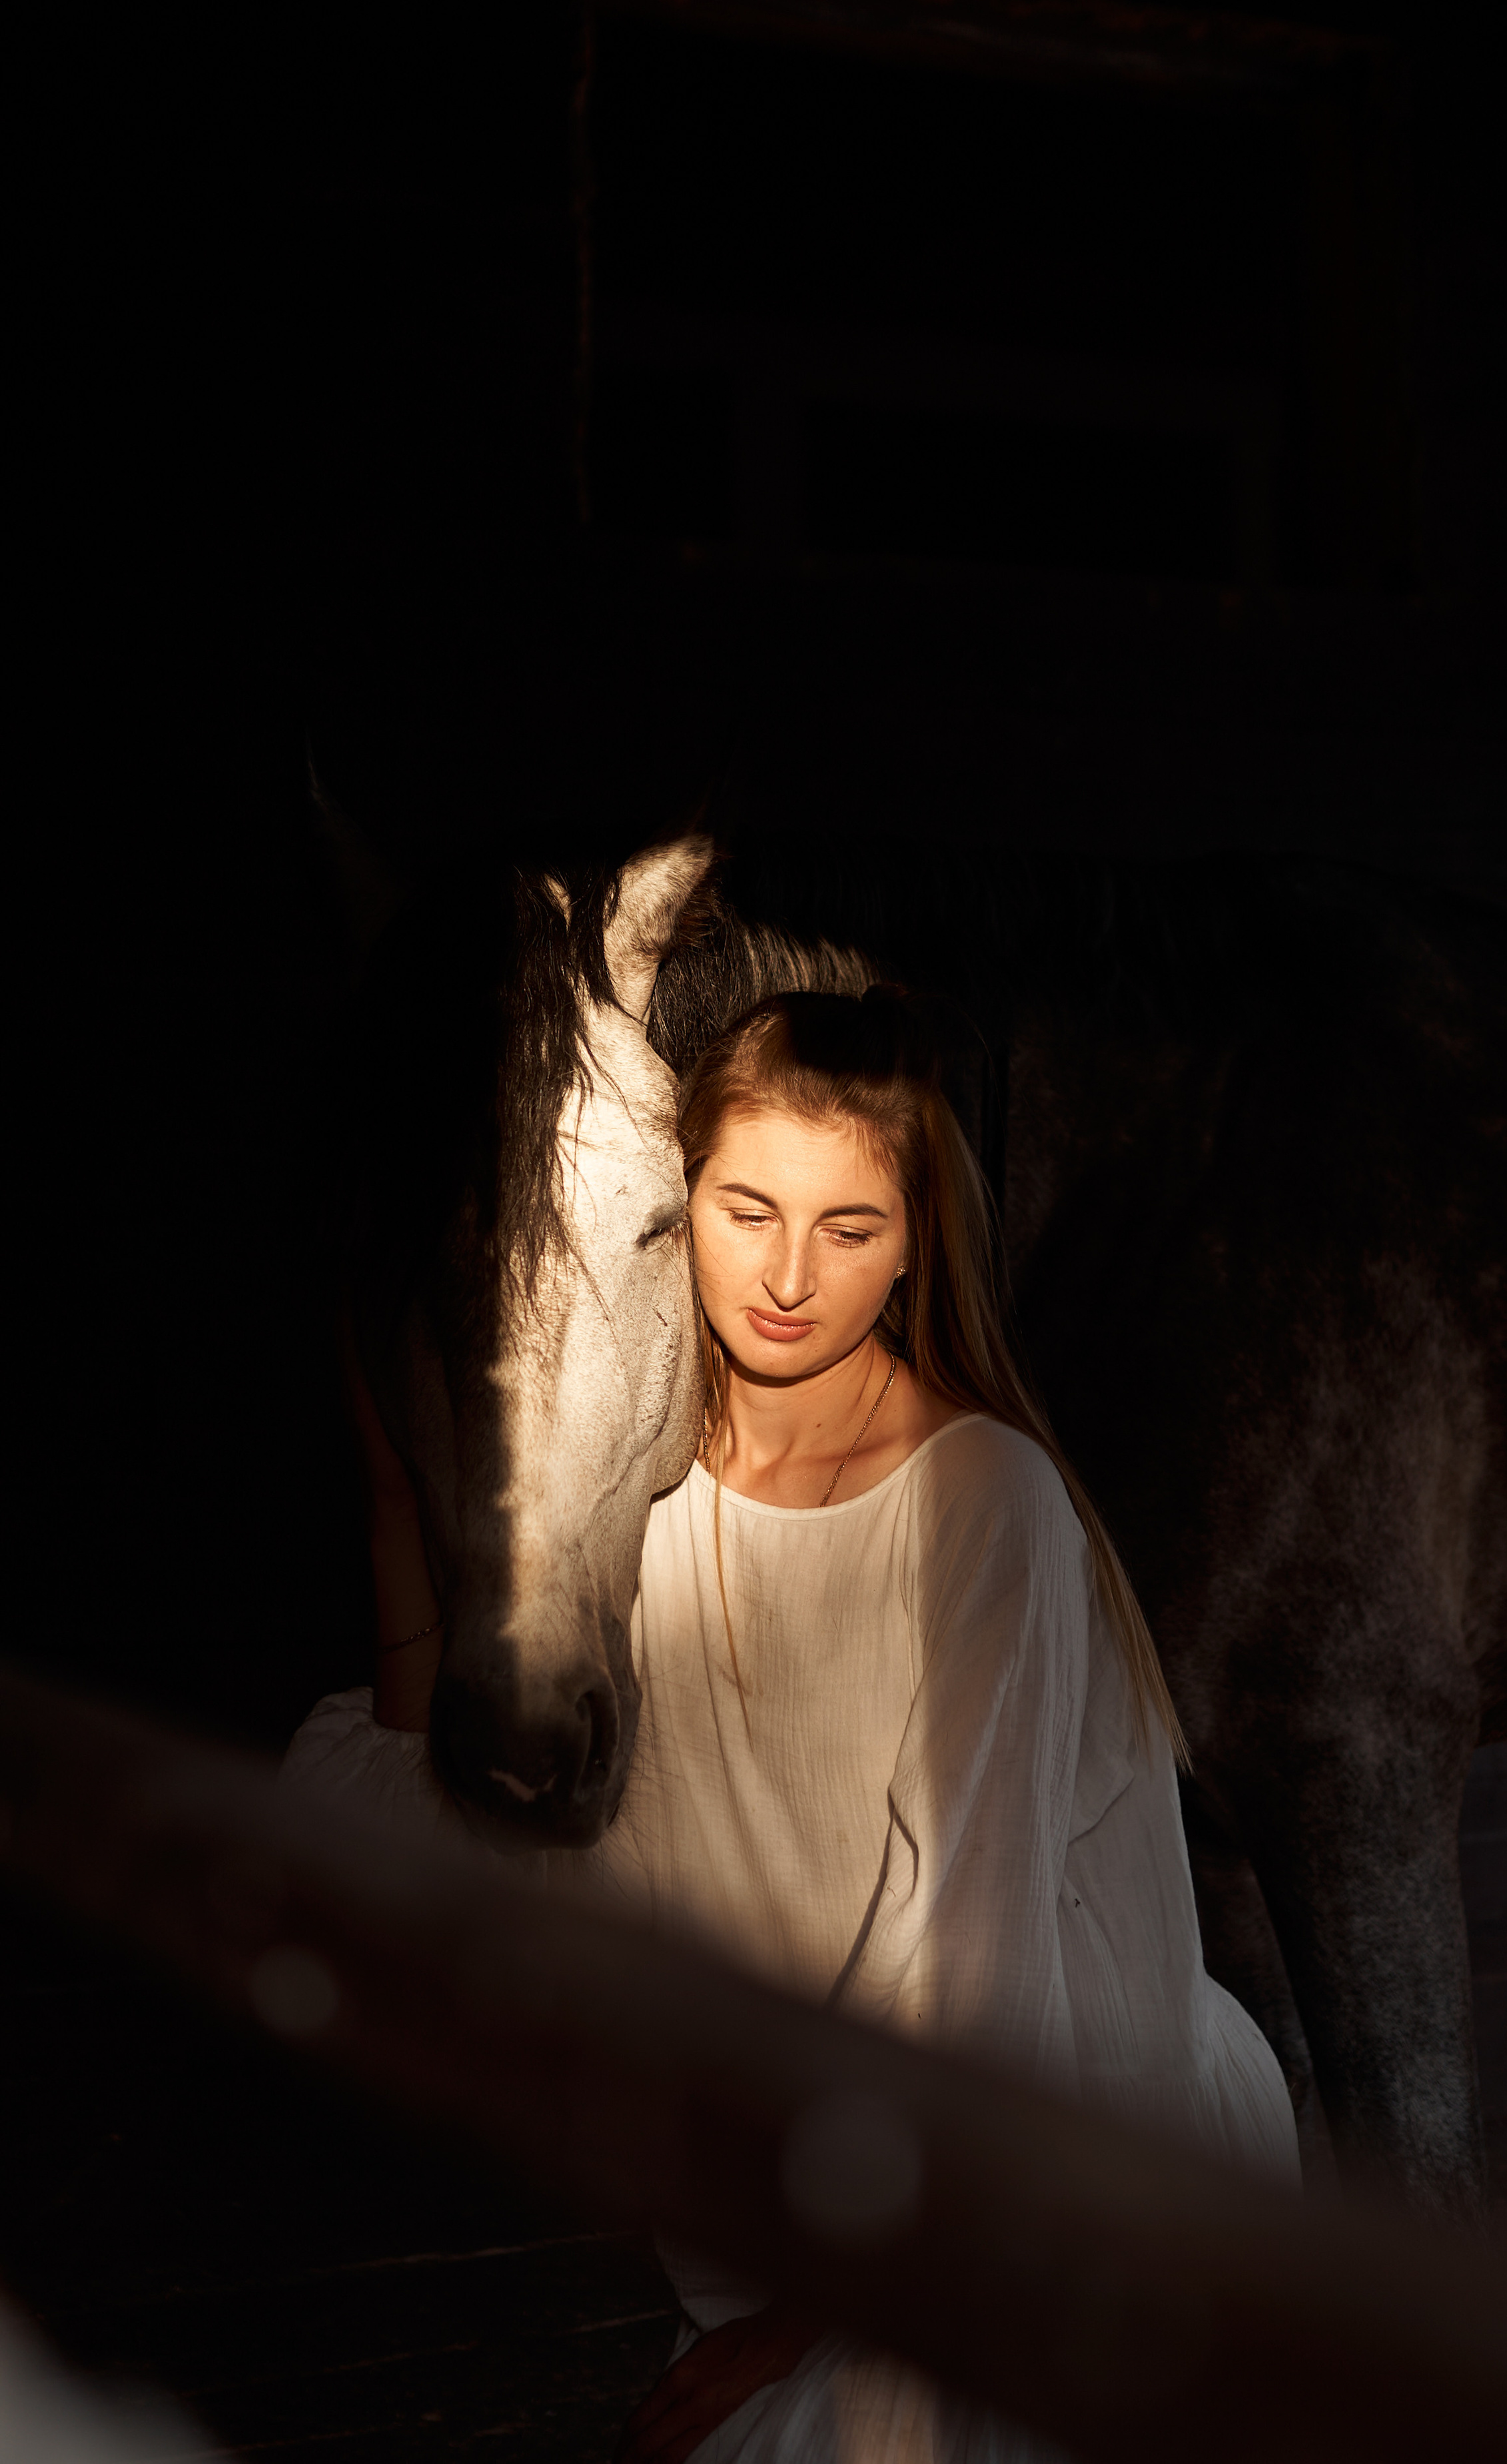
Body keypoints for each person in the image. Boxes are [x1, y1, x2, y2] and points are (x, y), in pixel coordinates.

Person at [286, 989, 1299, 2464]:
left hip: (1043, 2168)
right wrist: (397, 1499)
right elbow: (427, 1819)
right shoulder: (625, 1499)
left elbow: (983, 1972)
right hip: (804, 2209)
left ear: (914, 1244)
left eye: (849, 1229)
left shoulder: (981, 1504)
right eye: (745, 1208)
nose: (786, 1279)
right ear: (672, 1204)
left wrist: (813, 2323)